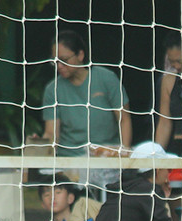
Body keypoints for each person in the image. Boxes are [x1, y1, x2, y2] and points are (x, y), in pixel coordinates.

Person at [40, 30, 131, 190]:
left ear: (80, 55)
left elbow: (124, 119)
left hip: (106, 159)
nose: (59, 66)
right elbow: (51, 134)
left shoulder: (106, 78)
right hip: (69, 161)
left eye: (64, 60)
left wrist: (123, 156)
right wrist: (38, 145)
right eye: (55, 62)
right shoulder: (52, 89)